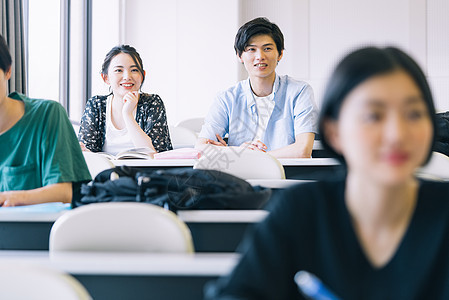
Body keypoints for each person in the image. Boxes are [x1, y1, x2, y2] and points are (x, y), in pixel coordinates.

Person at [204, 46, 449, 299]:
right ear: (334, 131)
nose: (397, 134)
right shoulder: (301, 210)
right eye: (373, 116)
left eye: (414, 114)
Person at [196, 17, 318, 158]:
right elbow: (201, 147)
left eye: (267, 48)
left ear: (280, 54)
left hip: (287, 175)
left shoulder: (299, 92)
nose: (260, 56)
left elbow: (303, 150)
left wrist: (246, 156)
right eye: (251, 49)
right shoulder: (226, 98)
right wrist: (236, 151)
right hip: (239, 175)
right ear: (239, 56)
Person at [0, 35, 91, 207]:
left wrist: (12, 197)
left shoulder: (48, 115)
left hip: (36, 231)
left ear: (8, 71)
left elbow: (63, 193)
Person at [78, 45, 172, 154]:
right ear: (106, 78)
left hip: (144, 170)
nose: (127, 76)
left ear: (142, 76)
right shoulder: (96, 105)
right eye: (119, 70)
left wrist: (127, 115)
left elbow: (156, 154)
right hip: (107, 170)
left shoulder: (152, 103)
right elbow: (87, 153)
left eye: (134, 70)